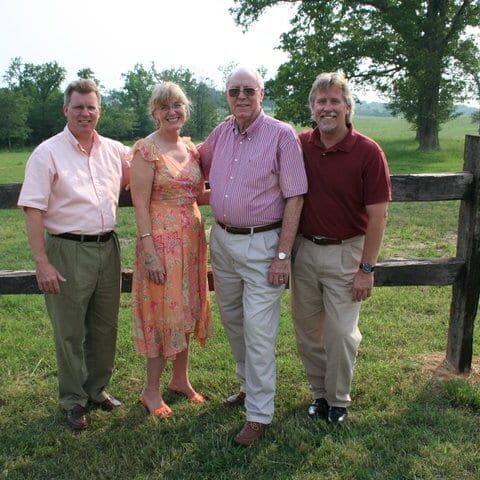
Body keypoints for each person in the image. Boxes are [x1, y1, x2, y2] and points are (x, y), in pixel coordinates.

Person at [199, 67, 308, 446]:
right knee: (233, 321)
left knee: (259, 333)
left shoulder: (281, 135)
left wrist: (282, 255)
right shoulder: (222, 131)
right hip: (223, 242)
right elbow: (191, 161)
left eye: (248, 90)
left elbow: (296, 196)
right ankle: (247, 386)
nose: (241, 97)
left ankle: (259, 415)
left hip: (264, 245)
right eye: (233, 91)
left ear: (261, 93)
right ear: (226, 96)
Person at [17, 79, 130, 430]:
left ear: (100, 110)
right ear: (66, 110)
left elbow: (146, 168)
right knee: (68, 330)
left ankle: (97, 390)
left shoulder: (114, 150)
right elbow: (33, 209)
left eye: (91, 107)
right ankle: (73, 400)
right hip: (66, 249)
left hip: (107, 248)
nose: (85, 113)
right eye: (78, 107)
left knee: (104, 326)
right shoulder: (47, 152)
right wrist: (42, 262)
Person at [291, 72, 392, 425]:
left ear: (348, 108)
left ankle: (338, 400)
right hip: (304, 251)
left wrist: (367, 269)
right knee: (307, 331)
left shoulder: (368, 152)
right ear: (313, 109)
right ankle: (319, 395)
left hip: (348, 251)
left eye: (335, 101)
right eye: (321, 102)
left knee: (341, 333)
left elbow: (378, 216)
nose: (328, 108)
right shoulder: (301, 144)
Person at [130, 82, 212, 418]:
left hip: (192, 240)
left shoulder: (192, 150)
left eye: (177, 105)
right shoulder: (146, 150)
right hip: (160, 242)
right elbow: (139, 204)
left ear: (185, 109)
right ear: (155, 112)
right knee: (162, 314)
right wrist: (149, 250)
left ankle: (180, 380)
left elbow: (197, 194)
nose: (172, 111)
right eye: (164, 107)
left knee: (187, 308)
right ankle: (150, 390)